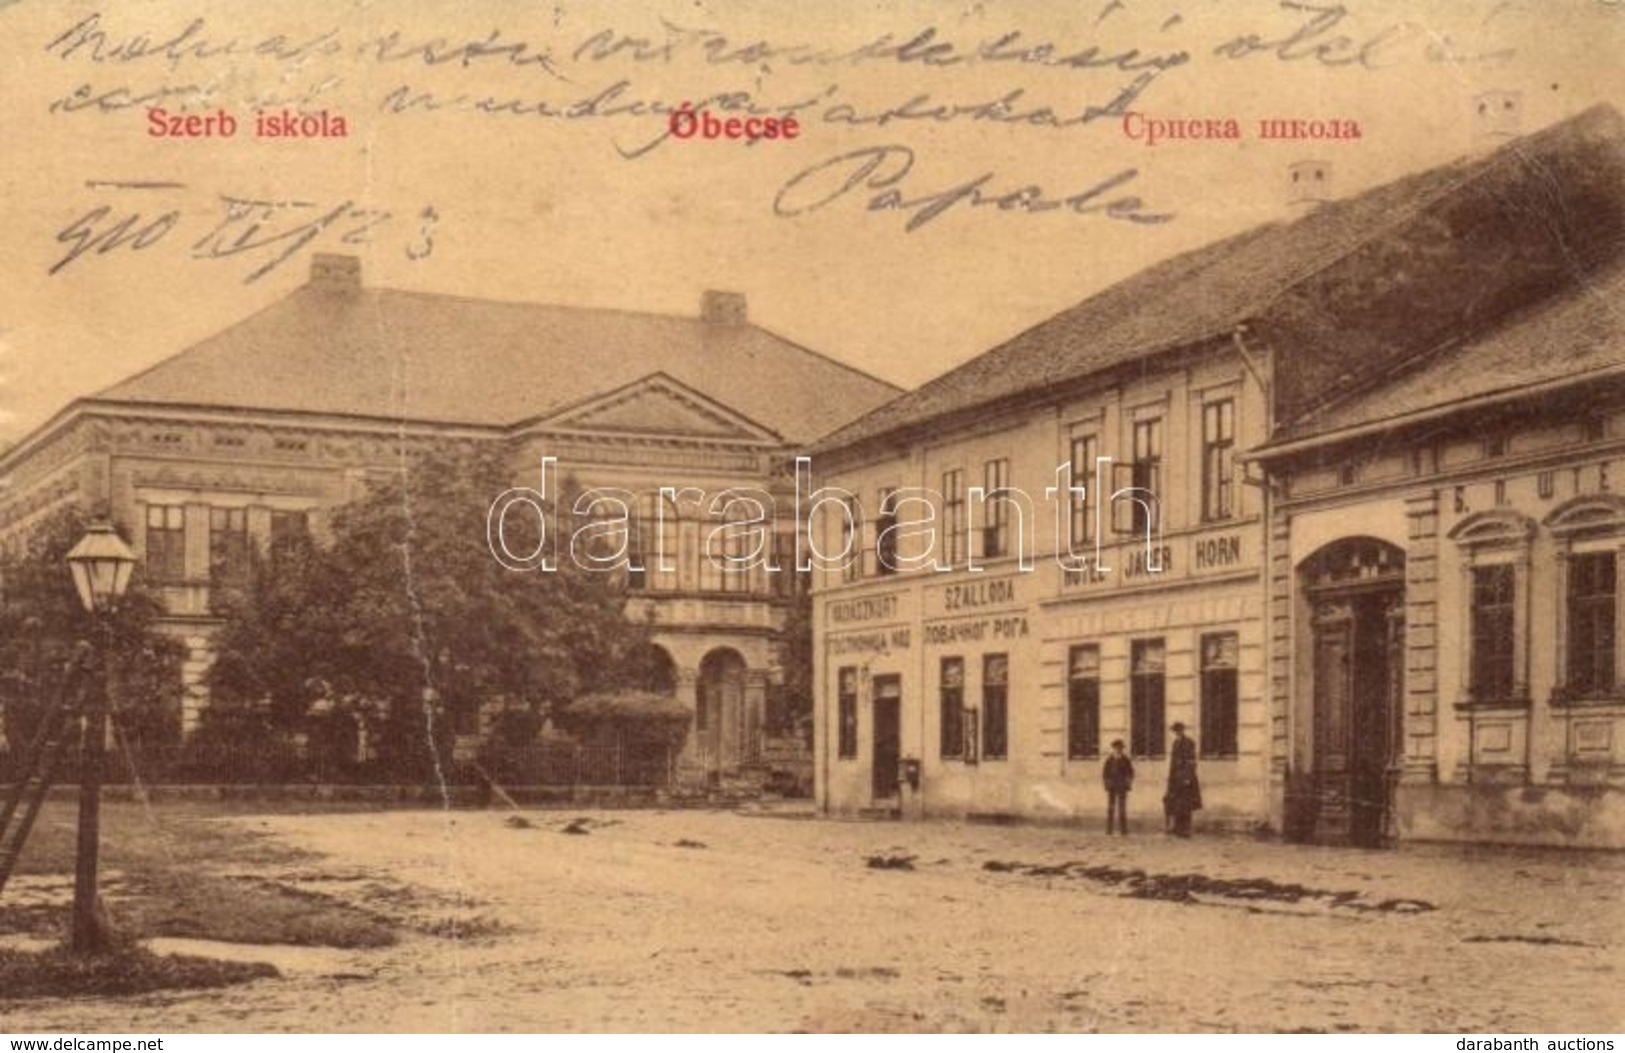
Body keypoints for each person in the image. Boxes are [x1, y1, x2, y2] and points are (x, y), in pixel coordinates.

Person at [1165, 722, 1202, 837]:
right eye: (1175, 731)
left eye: (1179, 730)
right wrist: (1170, 778)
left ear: (1182, 730)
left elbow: (1191, 761)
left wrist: (1188, 778)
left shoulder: (1189, 743)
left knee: (1186, 804)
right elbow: (1173, 762)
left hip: (1186, 778)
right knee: (1177, 803)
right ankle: (1178, 828)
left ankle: (1186, 829)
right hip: (1176, 778)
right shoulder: (1175, 743)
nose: (1177, 733)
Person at [1101, 739, 1134, 835]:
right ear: (1113, 748)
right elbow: (1105, 774)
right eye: (1116, 748)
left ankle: (1123, 830)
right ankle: (1109, 829)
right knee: (1111, 808)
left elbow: (1130, 773)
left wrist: (1128, 783)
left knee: (1122, 808)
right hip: (1112, 786)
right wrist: (1107, 784)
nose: (1118, 750)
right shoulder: (1109, 760)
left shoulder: (1126, 760)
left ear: (1122, 749)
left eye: (1120, 748)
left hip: (1122, 786)